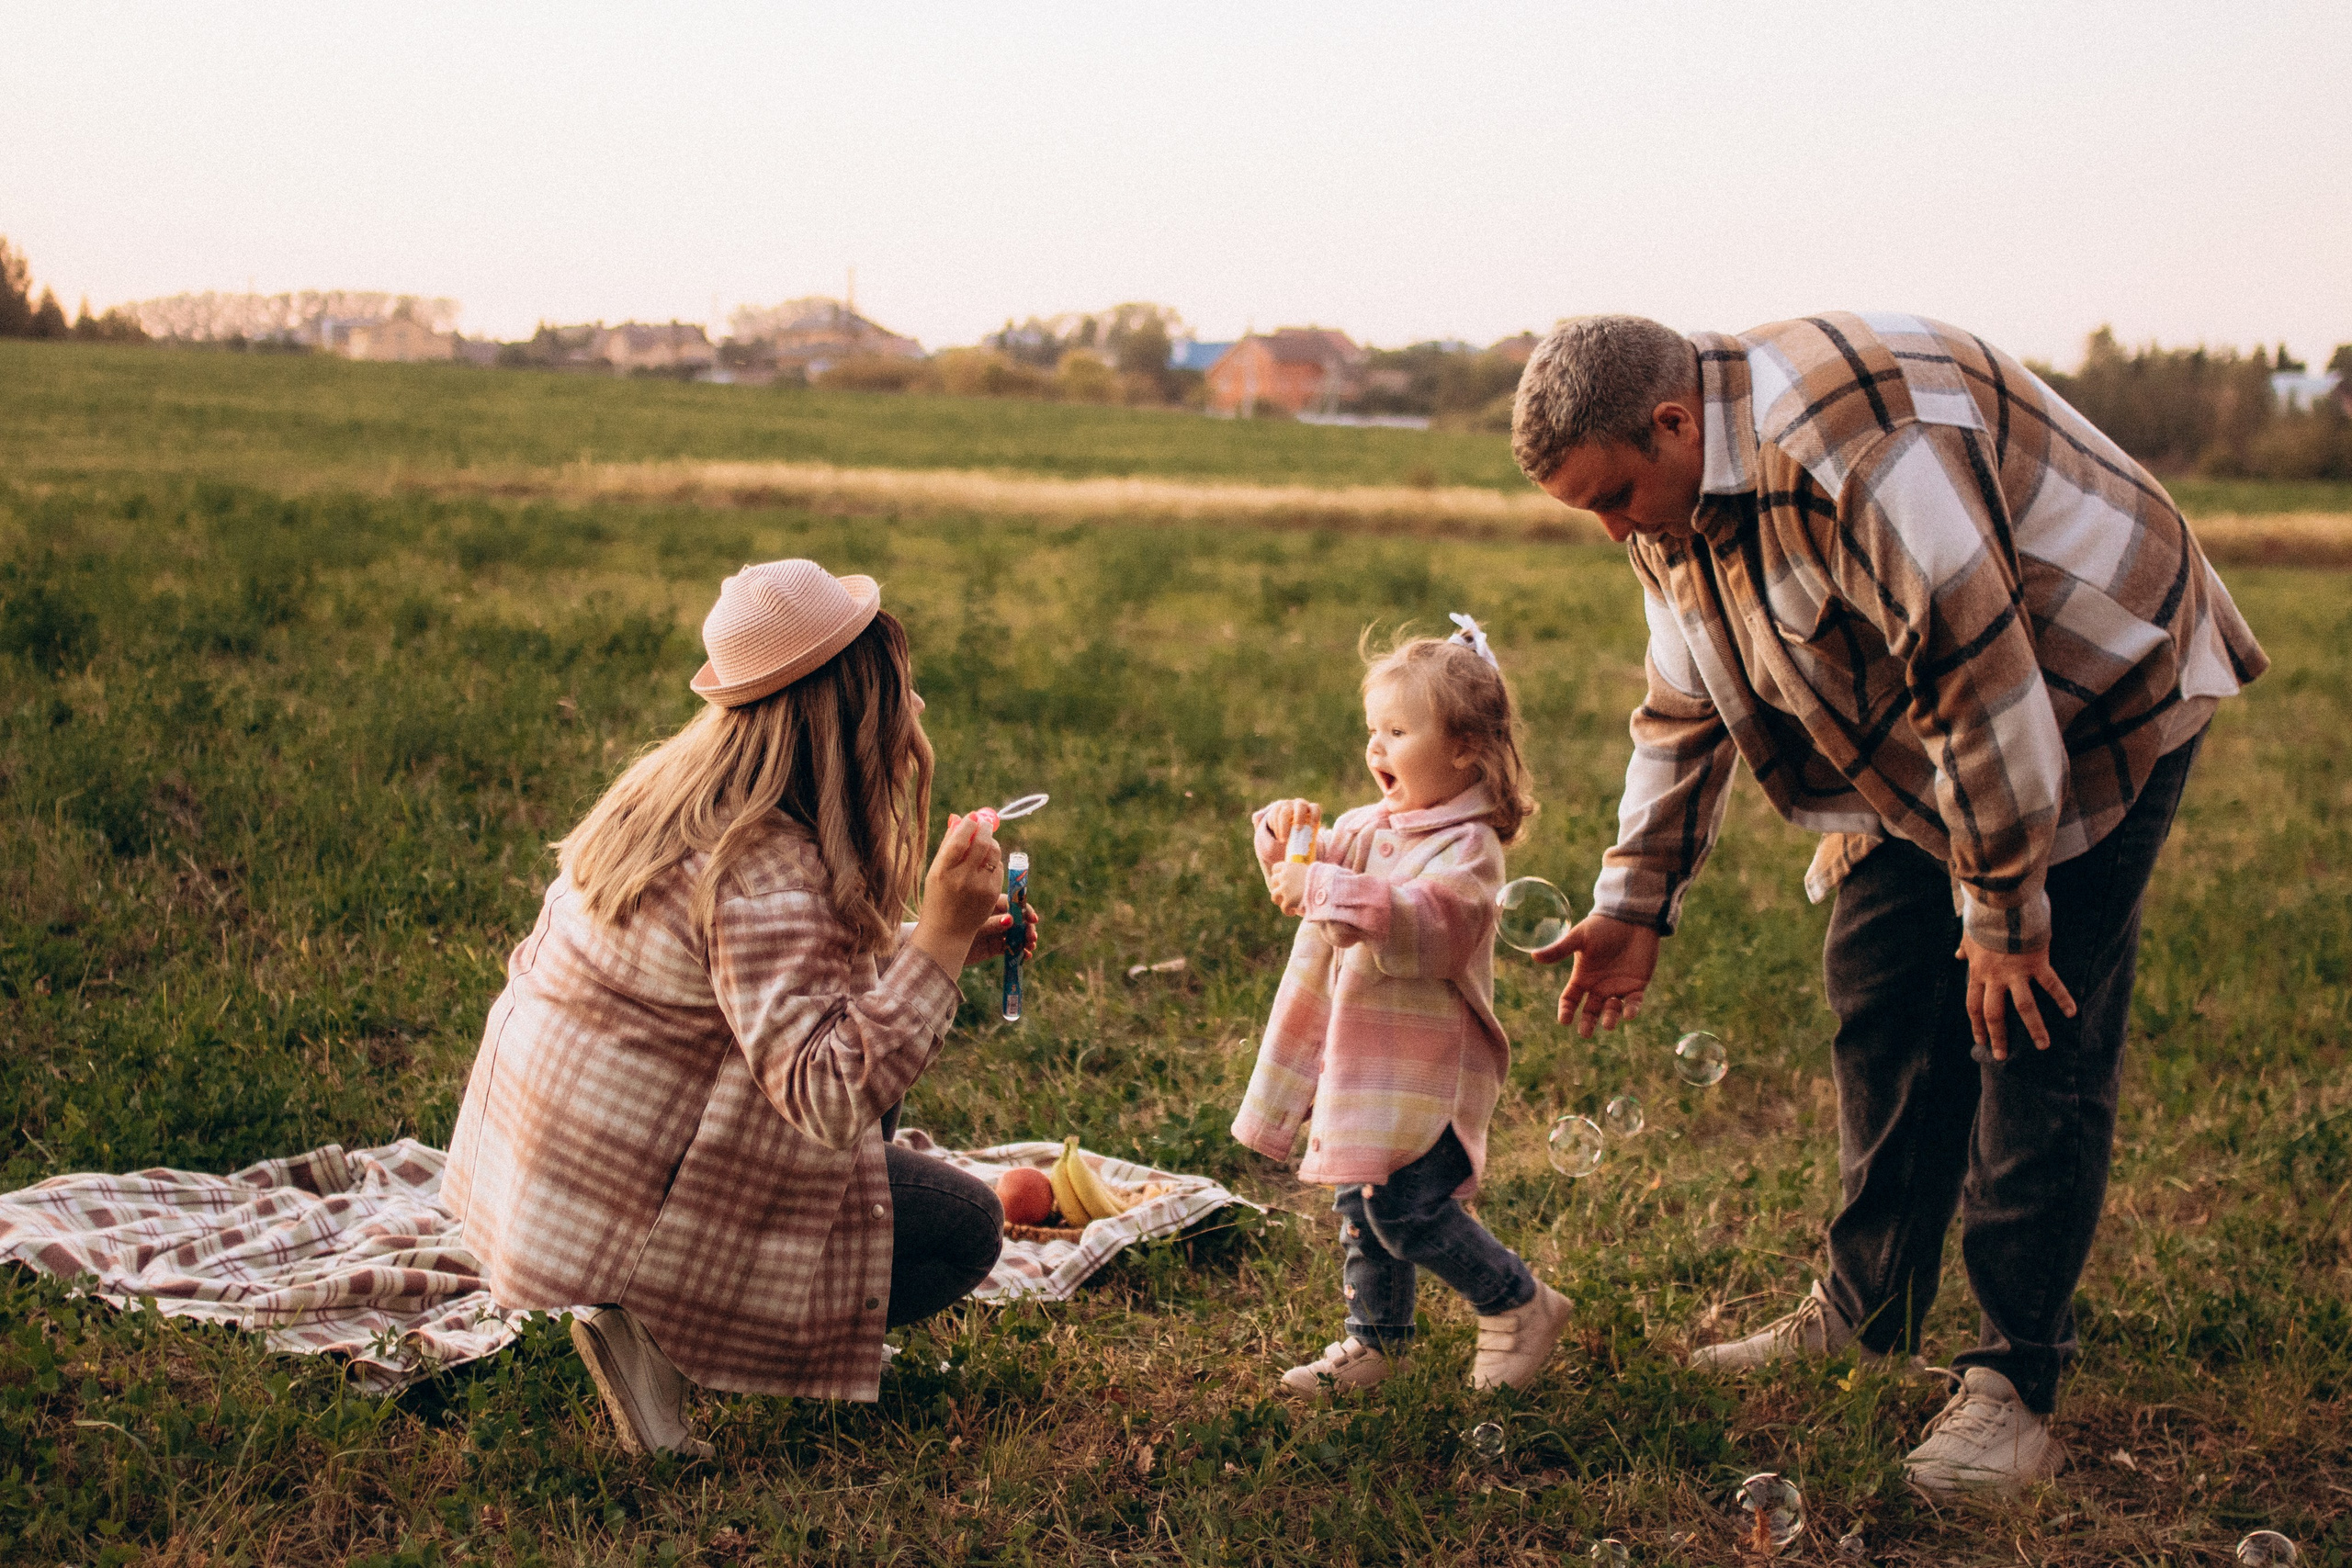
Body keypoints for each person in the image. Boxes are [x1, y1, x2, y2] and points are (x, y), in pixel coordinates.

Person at [1512, 313, 2267, 1493]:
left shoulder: (1851, 449)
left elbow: (1982, 677)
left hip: (2092, 681)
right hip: (1934, 732)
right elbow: (1682, 704)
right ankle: (1866, 1314)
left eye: (1614, 496)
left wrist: (2006, 918)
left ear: (1670, 423)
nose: (1614, 531)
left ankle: (2013, 1385)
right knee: (1880, 984)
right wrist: (1632, 903)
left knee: (2028, 1028)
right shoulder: (1670, 496)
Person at [443, 559, 1036, 1458]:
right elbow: (827, 1094)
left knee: (874, 1025)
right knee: (960, 1232)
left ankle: (658, 1308)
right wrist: (940, 944)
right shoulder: (763, 865)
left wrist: (933, 944)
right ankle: (661, 1334)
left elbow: (763, 980)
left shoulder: (677, 795)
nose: (916, 715)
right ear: (848, 710)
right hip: (622, 1217)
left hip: (554, 1178)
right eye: (900, 694)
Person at [1231, 621, 1572, 1396]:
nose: (1376, 749)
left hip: (1427, 1076)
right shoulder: (1368, 825)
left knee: (1406, 1210)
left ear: (1464, 750)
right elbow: (1313, 875)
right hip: (1368, 1068)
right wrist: (1283, 841)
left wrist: (1322, 887)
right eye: (1371, 731)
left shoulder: (1469, 848)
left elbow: (1432, 923)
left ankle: (1519, 1303)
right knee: (1361, 1198)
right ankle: (1376, 1341)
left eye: (1397, 730)